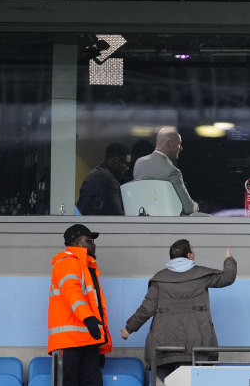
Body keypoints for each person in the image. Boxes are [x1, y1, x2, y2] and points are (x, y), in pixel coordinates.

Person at [120, 239, 237, 386]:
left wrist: (128, 328)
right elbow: (227, 278)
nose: (194, 253)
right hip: (194, 341)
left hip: (163, 343)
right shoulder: (201, 275)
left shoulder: (160, 279)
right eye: (193, 250)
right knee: (188, 381)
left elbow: (147, 309)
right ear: (189, 255)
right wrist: (229, 260)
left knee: (163, 381)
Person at [48, 224, 113, 386]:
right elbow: (72, 294)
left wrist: (101, 345)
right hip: (69, 341)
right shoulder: (67, 262)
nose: (94, 244)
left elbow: (96, 306)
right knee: (70, 382)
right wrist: (88, 318)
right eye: (89, 240)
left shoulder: (85, 267)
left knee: (92, 381)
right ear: (77, 243)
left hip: (87, 338)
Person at [133, 127, 199, 215]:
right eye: (179, 144)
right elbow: (188, 208)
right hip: (167, 223)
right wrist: (196, 205)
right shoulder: (172, 171)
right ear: (169, 144)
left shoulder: (139, 163)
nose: (181, 148)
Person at [77, 142, 130, 215]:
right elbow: (118, 217)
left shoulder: (93, 175)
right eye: (125, 163)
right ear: (115, 160)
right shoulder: (108, 180)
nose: (127, 168)